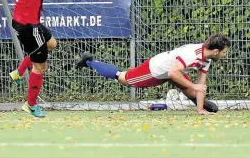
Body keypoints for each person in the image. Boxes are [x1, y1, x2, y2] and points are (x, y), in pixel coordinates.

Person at [4, 0, 79, 117]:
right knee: (40, 67)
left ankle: (19, 71)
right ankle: (30, 105)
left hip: (23, 22)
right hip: (29, 27)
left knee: (51, 43)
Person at [76, 33, 230, 114]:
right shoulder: (192, 55)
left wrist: (201, 109)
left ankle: (199, 106)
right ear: (216, 51)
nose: (224, 55)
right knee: (123, 78)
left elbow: (201, 84)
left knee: (195, 90)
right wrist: (194, 86)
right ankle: (89, 61)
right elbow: (172, 72)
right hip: (156, 69)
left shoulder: (207, 59)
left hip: (174, 71)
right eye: (224, 52)